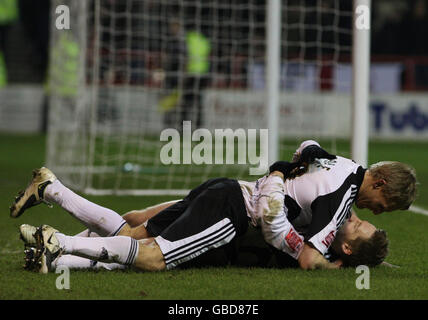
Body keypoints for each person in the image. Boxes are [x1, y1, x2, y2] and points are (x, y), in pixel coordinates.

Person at [11, 141, 417, 273]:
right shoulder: (342, 196)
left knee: (130, 230)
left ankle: (53, 193)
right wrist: (321, 261)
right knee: (153, 260)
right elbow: (296, 244)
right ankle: (58, 243)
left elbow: (307, 147)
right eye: (382, 206)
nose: (371, 213)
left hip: (228, 189)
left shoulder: (342, 162)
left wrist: (280, 172)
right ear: (379, 183)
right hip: (233, 212)